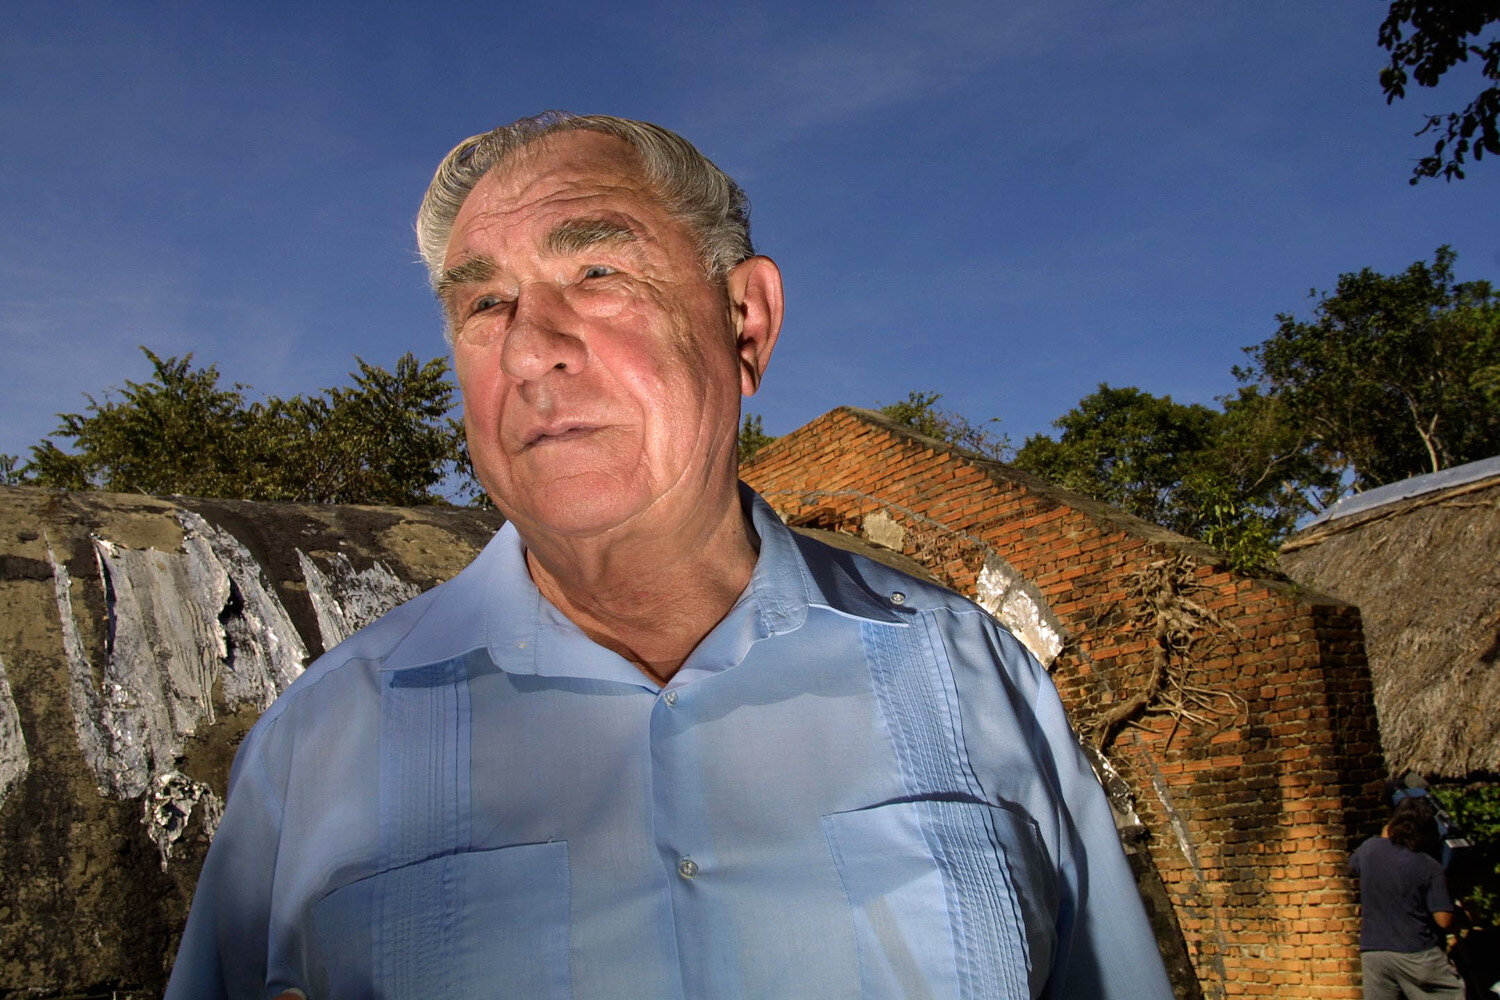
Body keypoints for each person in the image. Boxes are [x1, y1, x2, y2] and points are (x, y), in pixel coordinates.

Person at [164, 111, 1173, 1000]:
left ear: (747, 321)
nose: (528, 349)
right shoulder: (316, 748)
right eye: (484, 305)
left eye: (597, 272)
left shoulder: (974, 681)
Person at [1350, 796, 1466, 1000]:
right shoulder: (1429, 866)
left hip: (1374, 953)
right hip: (1417, 953)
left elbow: (1355, 865)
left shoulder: (1369, 850)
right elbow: (1444, 920)